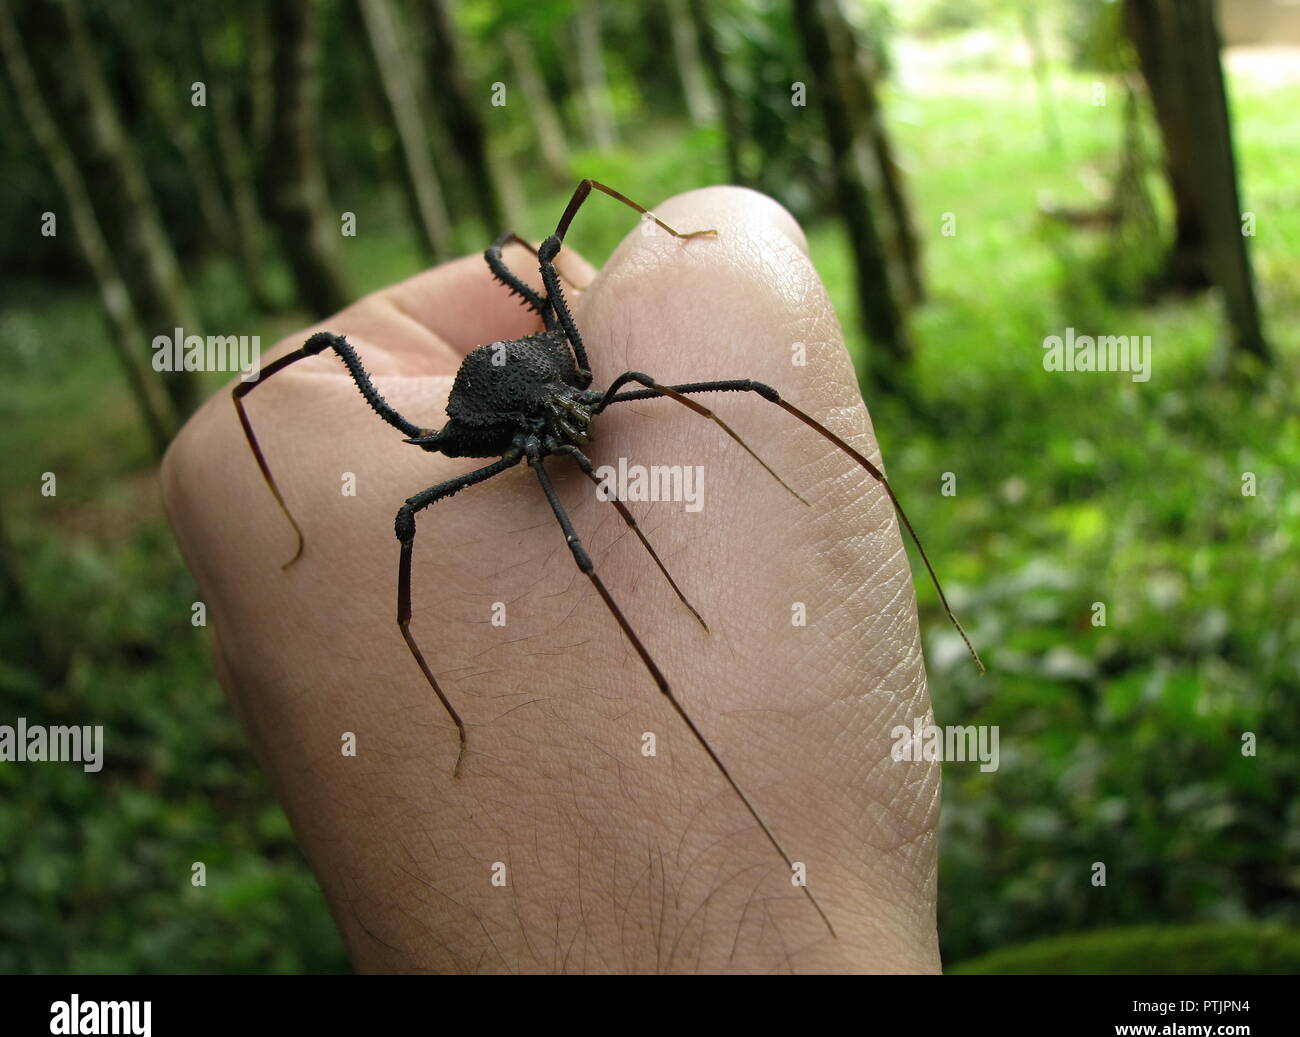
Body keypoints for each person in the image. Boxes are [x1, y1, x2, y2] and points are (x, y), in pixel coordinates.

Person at [161, 186, 941, 974]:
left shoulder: (602, 382)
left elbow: (573, 286)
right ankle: (464, 717)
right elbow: (421, 485)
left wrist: (667, 236)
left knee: (729, 380)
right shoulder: (515, 456)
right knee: (469, 515)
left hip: (548, 381)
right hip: (498, 417)